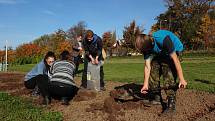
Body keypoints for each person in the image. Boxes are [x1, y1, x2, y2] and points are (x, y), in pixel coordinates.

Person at [135, 29, 187, 113]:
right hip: (162, 53)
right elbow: (147, 66)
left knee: (168, 70)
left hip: (176, 50)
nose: (145, 53)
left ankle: (171, 102)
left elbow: (176, 60)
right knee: (153, 68)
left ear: (150, 45)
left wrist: (182, 79)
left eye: (146, 51)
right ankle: (157, 98)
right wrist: (145, 84)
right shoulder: (145, 48)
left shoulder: (162, 39)